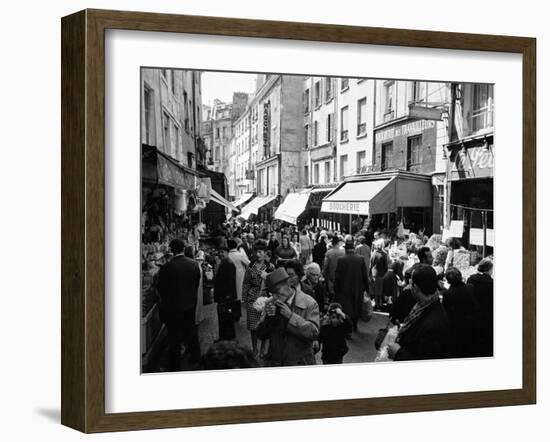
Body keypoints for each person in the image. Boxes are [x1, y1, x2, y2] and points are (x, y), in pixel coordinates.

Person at [256, 268, 320, 367]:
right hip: (275, 363)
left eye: (277, 291)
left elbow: (313, 333)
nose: (275, 296)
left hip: (299, 363)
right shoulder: (270, 302)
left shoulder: (309, 303)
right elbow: (260, 334)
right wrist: (269, 319)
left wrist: (290, 316)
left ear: (288, 284)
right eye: (271, 293)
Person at [387, 264, 451, 361]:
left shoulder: (432, 323)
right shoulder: (425, 306)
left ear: (415, 288)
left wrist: (397, 353)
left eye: (411, 283)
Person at [157, 238, 202, 370]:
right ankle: (196, 357)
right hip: (189, 304)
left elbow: (161, 289)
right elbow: (196, 283)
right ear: (183, 249)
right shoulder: (194, 264)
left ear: (171, 250)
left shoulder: (166, 267)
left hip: (173, 308)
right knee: (191, 331)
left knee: (174, 337)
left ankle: (175, 364)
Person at [242, 242, 272, 357]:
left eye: (260, 252)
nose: (258, 254)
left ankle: (263, 349)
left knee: (265, 325)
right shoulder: (251, 266)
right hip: (252, 298)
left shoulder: (270, 266)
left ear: (265, 253)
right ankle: (254, 348)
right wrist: (245, 298)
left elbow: (274, 283)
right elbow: (246, 283)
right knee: (253, 326)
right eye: (256, 252)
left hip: (266, 299)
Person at [442, 267, 480, 358]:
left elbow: (445, 312)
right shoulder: (470, 287)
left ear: (448, 280)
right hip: (471, 322)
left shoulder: (448, 294)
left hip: (456, 325)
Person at [334, 238, 369, 331]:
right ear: (354, 248)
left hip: (344, 289)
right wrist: (367, 289)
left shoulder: (341, 259)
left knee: (346, 308)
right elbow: (365, 275)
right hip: (358, 289)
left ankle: (347, 327)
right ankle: (355, 324)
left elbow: (337, 277)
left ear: (345, 249)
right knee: (356, 307)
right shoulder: (361, 259)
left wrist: (336, 290)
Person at [467, 258, 494, 357]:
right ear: (489, 270)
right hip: (487, 313)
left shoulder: (471, 278)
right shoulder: (492, 283)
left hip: (473, 312)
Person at [213, 246, 237, 341]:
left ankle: (226, 338)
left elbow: (230, 281)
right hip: (223, 295)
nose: (221, 254)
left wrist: (228, 296)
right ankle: (226, 336)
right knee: (224, 317)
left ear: (227, 252)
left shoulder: (228, 264)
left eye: (222, 252)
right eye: (219, 252)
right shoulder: (224, 262)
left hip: (225, 296)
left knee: (225, 317)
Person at [227, 239, 250, 321]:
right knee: (238, 296)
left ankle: (232, 313)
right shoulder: (239, 254)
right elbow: (248, 263)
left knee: (232, 295)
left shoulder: (228, 255)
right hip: (239, 277)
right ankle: (237, 315)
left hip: (229, 278)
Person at [322, 236, 345, 302]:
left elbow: (325, 265)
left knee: (332, 293)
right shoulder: (343, 252)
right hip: (341, 276)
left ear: (332, 243)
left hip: (331, 275)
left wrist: (324, 273)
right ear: (338, 243)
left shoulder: (328, 253)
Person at [370, 239, 389, 309]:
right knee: (380, 290)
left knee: (375, 290)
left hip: (374, 273)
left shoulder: (374, 254)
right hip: (381, 274)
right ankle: (379, 304)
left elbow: (370, 265)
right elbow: (386, 266)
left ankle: (376, 303)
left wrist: (369, 274)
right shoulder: (384, 254)